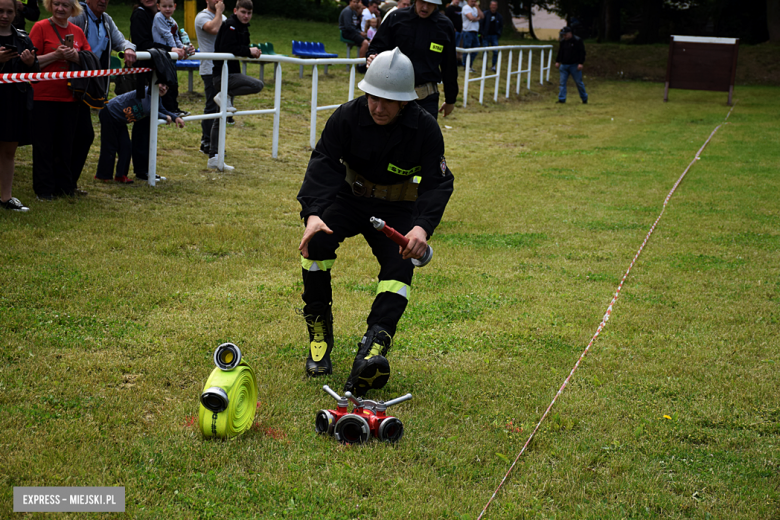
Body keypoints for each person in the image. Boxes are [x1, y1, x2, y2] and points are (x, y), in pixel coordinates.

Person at [297, 48, 454, 396]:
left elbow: (438, 182)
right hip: (348, 199)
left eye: (388, 101)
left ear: (405, 102)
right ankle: (319, 329)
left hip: (397, 211)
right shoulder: (347, 117)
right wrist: (313, 214)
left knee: (400, 270)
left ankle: (375, 345)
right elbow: (323, 162)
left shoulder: (426, 129)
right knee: (317, 242)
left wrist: (421, 228)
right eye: (373, 97)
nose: (378, 107)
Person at [69, 0, 137, 185]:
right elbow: (66, 43)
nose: (103, 1)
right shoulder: (78, 16)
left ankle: (69, 182)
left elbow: (121, 40)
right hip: (72, 83)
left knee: (82, 134)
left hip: (93, 84)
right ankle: (64, 181)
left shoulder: (106, 20)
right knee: (77, 133)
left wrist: (128, 47)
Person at [29, 0, 90, 200]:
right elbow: (30, 63)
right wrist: (55, 55)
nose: (60, 9)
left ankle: (64, 187)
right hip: (43, 96)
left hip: (70, 97)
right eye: (56, 4)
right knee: (43, 145)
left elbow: (89, 59)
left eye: (65, 5)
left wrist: (76, 57)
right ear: (50, 6)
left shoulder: (77, 31)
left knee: (66, 144)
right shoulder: (40, 27)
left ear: (73, 9)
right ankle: (44, 189)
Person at [368, 0, 458, 119]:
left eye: (430, 3)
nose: (425, 7)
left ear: (437, 4)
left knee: (425, 137)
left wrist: (450, 99)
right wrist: (372, 57)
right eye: (422, 2)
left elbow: (449, 65)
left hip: (426, 99)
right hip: (393, 96)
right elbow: (376, 47)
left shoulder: (445, 25)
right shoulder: (396, 18)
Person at [130, 0, 183, 181]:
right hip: (143, 74)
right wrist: (170, 49)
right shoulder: (140, 14)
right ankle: (142, 170)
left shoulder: (160, 16)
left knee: (149, 121)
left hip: (153, 73)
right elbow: (142, 43)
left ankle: (146, 168)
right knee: (143, 121)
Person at [207, 0, 263, 171]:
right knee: (257, 85)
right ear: (236, 10)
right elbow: (227, 48)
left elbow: (240, 47)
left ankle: (213, 157)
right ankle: (225, 94)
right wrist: (248, 51)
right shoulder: (231, 25)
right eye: (243, 12)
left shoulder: (242, 27)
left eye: (249, 13)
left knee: (220, 118)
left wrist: (250, 51)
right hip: (223, 76)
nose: (246, 16)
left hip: (228, 76)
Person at [96, 84, 184, 183]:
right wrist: (165, 117)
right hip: (109, 113)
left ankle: (121, 175)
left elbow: (161, 109)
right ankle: (103, 175)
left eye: (167, 88)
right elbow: (148, 110)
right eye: (162, 85)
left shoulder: (156, 97)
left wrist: (174, 117)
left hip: (120, 120)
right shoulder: (146, 91)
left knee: (126, 147)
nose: (164, 88)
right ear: (154, 84)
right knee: (110, 146)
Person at [0, 0, 39, 211]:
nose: (5, 15)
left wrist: (30, 63)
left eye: (9, 11)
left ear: (16, 13)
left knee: (8, 152)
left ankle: (6, 197)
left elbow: (37, 73)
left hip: (13, 101)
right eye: (0, 11)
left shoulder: (23, 38)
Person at [194, 0, 226, 155]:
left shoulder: (224, 18)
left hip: (224, 69)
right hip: (209, 69)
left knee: (222, 107)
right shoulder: (202, 16)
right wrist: (219, 12)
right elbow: (214, 29)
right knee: (211, 106)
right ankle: (206, 141)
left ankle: (216, 143)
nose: (217, 1)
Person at [152, 0, 190, 115]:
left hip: (171, 56)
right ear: (158, 7)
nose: (167, 9)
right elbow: (166, 34)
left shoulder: (173, 21)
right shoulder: (158, 17)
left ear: (175, 7)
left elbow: (176, 36)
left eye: (170, 6)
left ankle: (174, 108)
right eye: (164, 6)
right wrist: (175, 49)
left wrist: (182, 48)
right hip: (163, 55)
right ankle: (167, 109)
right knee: (165, 84)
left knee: (173, 83)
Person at [555, 26, 587, 104]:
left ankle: (584, 98)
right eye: (563, 35)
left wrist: (580, 63)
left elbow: (582, 53)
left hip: (574, 65)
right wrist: (558, 61)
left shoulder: (577, 41)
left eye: (565, 34)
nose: (564, 36)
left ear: (570, 34)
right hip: (564, 65)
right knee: (562, 82)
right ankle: (562, 99)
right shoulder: (563, 42)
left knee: (578, 82)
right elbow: (560, 52)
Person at [480, 0, 502, 71]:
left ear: (497, 7)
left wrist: (498, 34)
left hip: (494, 36)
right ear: (490, 6)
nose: (493, 7)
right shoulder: (485, 14)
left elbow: (501, 26)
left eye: (495, 5)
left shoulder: (499, 16)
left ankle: (493, 66)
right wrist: (482, 33)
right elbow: (481, 24)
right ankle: (484, 65)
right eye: (492, 5)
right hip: (486, 36)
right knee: (485, 51)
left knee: (495, 51)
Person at [460, 0, 481, 72]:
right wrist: (477, 18)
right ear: (468, 1)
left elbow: (482, 16)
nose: (474, 2)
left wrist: (478, 8)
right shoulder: (466, 7)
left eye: (475, 1)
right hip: (467, 31)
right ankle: (465, 66)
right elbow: (471, 18)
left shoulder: (475, 8)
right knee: (467, 49)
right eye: (472, 1)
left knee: (475, 49)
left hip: (475, 32)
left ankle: (470, 65)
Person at [443, 0, 462, 66]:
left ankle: (457, 61)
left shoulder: (460, 9)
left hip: (460, 31)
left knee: (458, 47)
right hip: (453, 31)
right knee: (452, 47)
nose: (457, 1)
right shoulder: (449, 9)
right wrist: (452, 28)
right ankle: (452, 62)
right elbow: (446, 19)